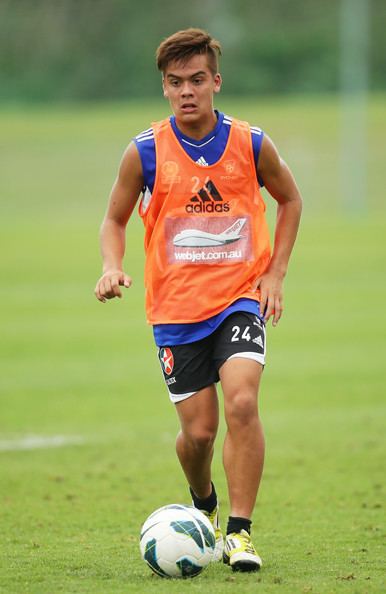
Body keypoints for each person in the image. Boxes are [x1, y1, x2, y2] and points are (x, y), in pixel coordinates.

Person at [95, 28, 302, 572]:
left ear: (216, 81)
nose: (187, 91)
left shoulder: (251, 143)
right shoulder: (144, 151)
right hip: (174, 313)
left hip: (239, 298)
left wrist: (275, 276)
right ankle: (203, 502)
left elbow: (290, 199)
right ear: (164, 88)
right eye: (174, 82)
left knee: (241, 402)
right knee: (198, 434)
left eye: (196, 80)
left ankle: (239, 533)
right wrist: (112, 266)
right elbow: (114, 219)